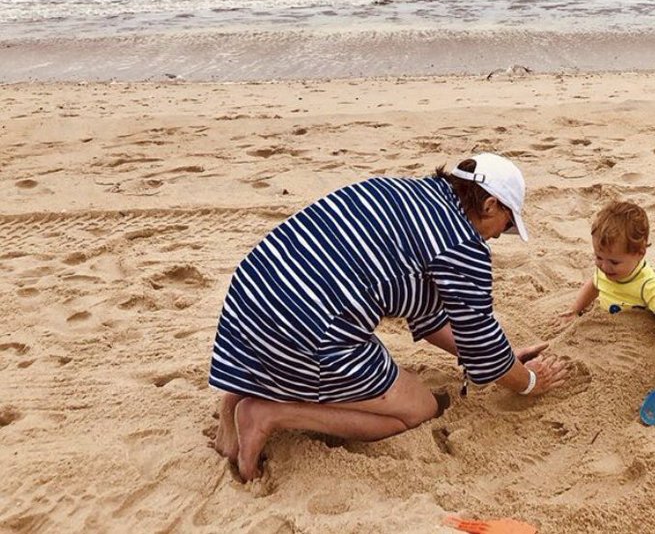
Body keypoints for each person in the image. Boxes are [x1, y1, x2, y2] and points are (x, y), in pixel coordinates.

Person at [207, 152, 569, 481]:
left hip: (247, 302)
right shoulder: (463, 243)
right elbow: (485, 351)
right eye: (506, 226)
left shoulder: (404, 193)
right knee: (418, 409)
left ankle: (234, 409)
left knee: (305, 311)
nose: (498, 237)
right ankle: (269, 414)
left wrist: (498, 356)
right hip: (307, 330)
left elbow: (431, 318)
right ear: (490, 205)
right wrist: (529, 382)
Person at [560, 200, 655, 391]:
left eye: (614, 262)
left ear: (640, 252)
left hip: (636, 344)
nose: (604, 267)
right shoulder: (604, 271)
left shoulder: (649, 285)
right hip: (602, 335)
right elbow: (594, 285)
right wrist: (574, 310)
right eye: (598, 257)